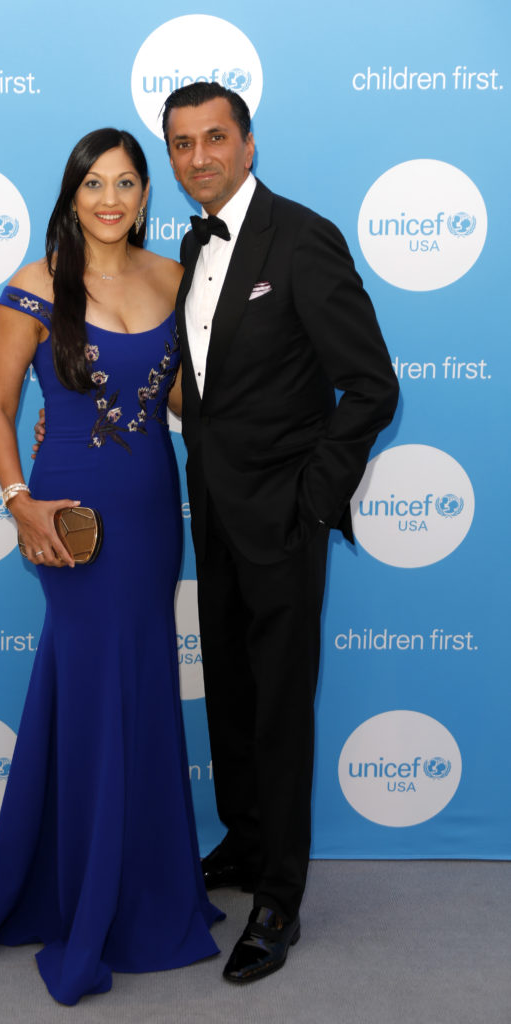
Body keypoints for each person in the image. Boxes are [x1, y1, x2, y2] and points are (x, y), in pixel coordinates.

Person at [0, 128, 222, 1006]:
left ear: (147, 197)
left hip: (148, 506)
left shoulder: (172, 281)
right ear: (71, 195)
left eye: (127, 184)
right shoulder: (34, 286)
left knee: (134, 681)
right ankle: (87, 891)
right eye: (94, 183)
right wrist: (17, 501)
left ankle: (136, 884)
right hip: (68, 515)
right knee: (92, 677)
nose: (111, 199)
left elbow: (178, 396)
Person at [160, 83, 400, 983]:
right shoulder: (191, 242)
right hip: (213, 512)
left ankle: (279, 899)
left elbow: (370, 385)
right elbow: (206, 387)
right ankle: (244, 841)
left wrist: (312, 496)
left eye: (214, 138)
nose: (197, 158)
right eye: (181, 144)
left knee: (278, 705)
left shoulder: (302, 237)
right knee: (226, 685)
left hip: (283, 518)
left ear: (248, 144)